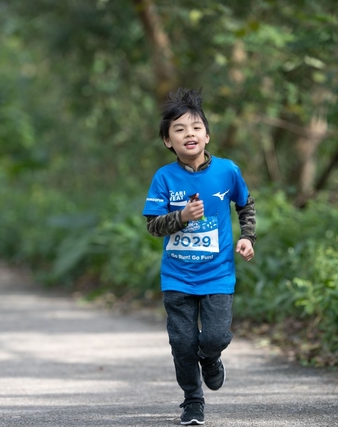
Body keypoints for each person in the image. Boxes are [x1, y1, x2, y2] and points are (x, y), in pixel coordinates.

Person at [142, 88, 256, 425]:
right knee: (181, 342)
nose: (188, 134)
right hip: (177, 276)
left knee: (216, 337)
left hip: (218, 274)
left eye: (195, 127)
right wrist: (182, 218)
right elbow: (152, 226)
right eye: (178, 129)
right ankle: (192, 400)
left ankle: (211, 358)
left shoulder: (227, 170)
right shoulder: (164, 178)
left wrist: (248, 237)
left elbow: (245, 203)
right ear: (167, 141)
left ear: (207, 135)